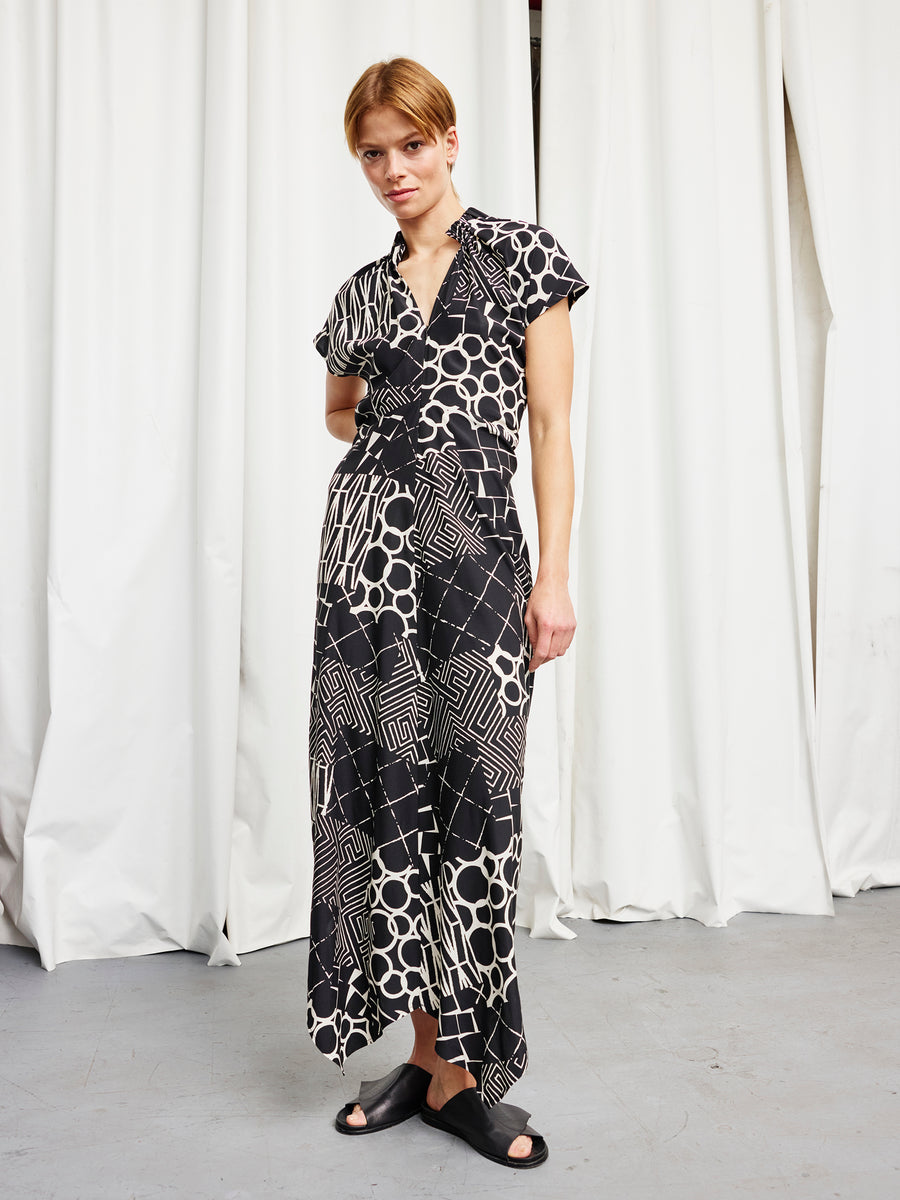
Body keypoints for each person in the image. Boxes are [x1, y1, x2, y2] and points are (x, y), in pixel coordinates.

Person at [307, 56, 587, 1171]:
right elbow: (338, 412)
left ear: (451, 139)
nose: (392, 170)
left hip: (477, 564)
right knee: (383, 803)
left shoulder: (525, 259)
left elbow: (555, 430)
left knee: (477, 802)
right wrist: (385, 413)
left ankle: (464, 1074)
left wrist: (553, 578)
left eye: (409, 145)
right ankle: (425, 1062)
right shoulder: (361, 294)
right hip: (363, 567)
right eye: (372, 153)